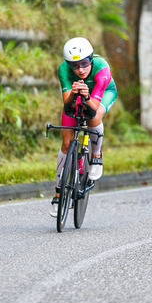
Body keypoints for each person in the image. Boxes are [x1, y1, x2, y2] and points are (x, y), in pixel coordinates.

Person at [51, 36, 117, 216]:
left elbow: (93, 110)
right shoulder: (64, 70)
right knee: (66, 144)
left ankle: (96, 155)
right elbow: (67, 105)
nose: (80, 70)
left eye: (84, 63)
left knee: (93, 120)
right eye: (75, 66)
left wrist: (86, 96)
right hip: (76, 97)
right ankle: (58, 193)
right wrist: (73, 95)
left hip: (102, 94)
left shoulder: (102, 68)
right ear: (68, 64)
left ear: (91, 58)